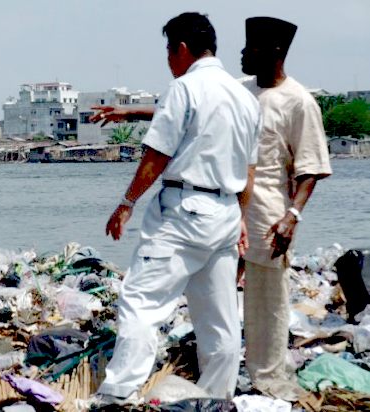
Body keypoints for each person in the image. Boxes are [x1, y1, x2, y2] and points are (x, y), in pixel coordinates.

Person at [90, 12, 262, 405]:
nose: (168, 61)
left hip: (183, 212)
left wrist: (127, 202)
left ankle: (116, 396)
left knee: (141, 302)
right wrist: (242, 220)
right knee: (218, 320)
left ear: (181, 49)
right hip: (225, 215)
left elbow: (157, 155)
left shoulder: (183, 88)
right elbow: (248, 171)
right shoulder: (244, 99)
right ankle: (217, 398)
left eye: (169, 52)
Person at [239, 17, 332, 398]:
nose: (244, 54)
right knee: (222, 291)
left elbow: (310, 168)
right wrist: (132, 114)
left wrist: (291, 216)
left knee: (267, 301)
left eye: (253, 48)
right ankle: (226, 365)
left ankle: (268, 377)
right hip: (226, 210)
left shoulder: (299, 101)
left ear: (275, 52)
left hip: (268, 213)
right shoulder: (239, 91)